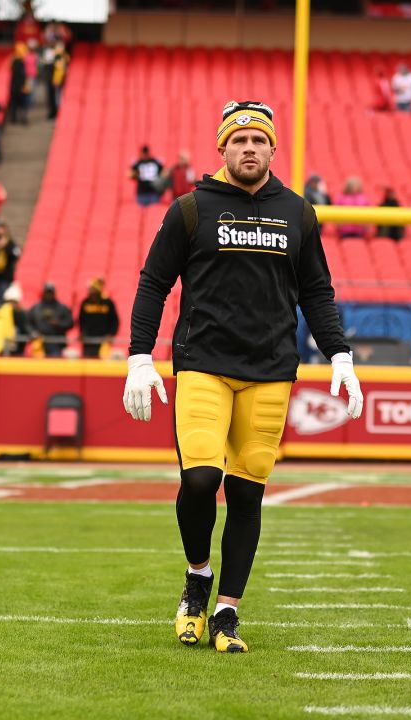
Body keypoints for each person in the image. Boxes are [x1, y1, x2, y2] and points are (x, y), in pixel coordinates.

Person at [125, 99, 363, 654]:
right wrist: (140, 356)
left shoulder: (299, 213)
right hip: (204, 363)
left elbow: (317, 292)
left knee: (248, 493)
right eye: (239, 140)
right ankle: (197, 580)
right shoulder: (190, 209)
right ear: (222, 148)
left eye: (259, 140)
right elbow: (152, 284)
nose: (249, 148)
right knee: (201, 480)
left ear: (273, 149)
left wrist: (340, 355)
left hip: (270, 370)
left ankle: (227, 613)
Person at [78, 277, 119, 359]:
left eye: (92, 289)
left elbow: (115, 320)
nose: (90, 291)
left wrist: (111, 334)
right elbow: (81, 320)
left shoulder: (108, 303)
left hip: (104, 339)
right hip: (88, 339)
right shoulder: (85, 302)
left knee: (103, 361)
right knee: (87, 361)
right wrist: (82, 332)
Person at [29, 282, 74, 358]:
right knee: (38, 367)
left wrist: (58, 323)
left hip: (56, 342)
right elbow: (28, 323)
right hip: (39, 343)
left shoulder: (61, 308)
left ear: (54, 293)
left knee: (54, 366)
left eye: (50, 293)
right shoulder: (36, 308)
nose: (48, 295)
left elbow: (70, 323)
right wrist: (33, 332)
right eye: (47, 292)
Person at [0, 284, 31, 356]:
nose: (11, 305)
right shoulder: (0, 313)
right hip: (5, 348)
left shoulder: (20, 314)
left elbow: (25, 328)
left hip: (15, 348)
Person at [7, 43, 31, 126]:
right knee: (21, 104)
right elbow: (22, 75)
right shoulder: (19, 62)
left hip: (16, 86)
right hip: (19, 87)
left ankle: (15, 118)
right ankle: (20, 119)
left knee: (16, 104)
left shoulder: (15, 61)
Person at [48, 42, 69, 120]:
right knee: (56, 98)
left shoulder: (63, 58)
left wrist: (56, 80)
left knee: (58, 98)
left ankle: (58, 113)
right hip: (57, 81)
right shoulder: (56, 58)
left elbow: (60, 70)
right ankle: (55, 113)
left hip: (60, 81)